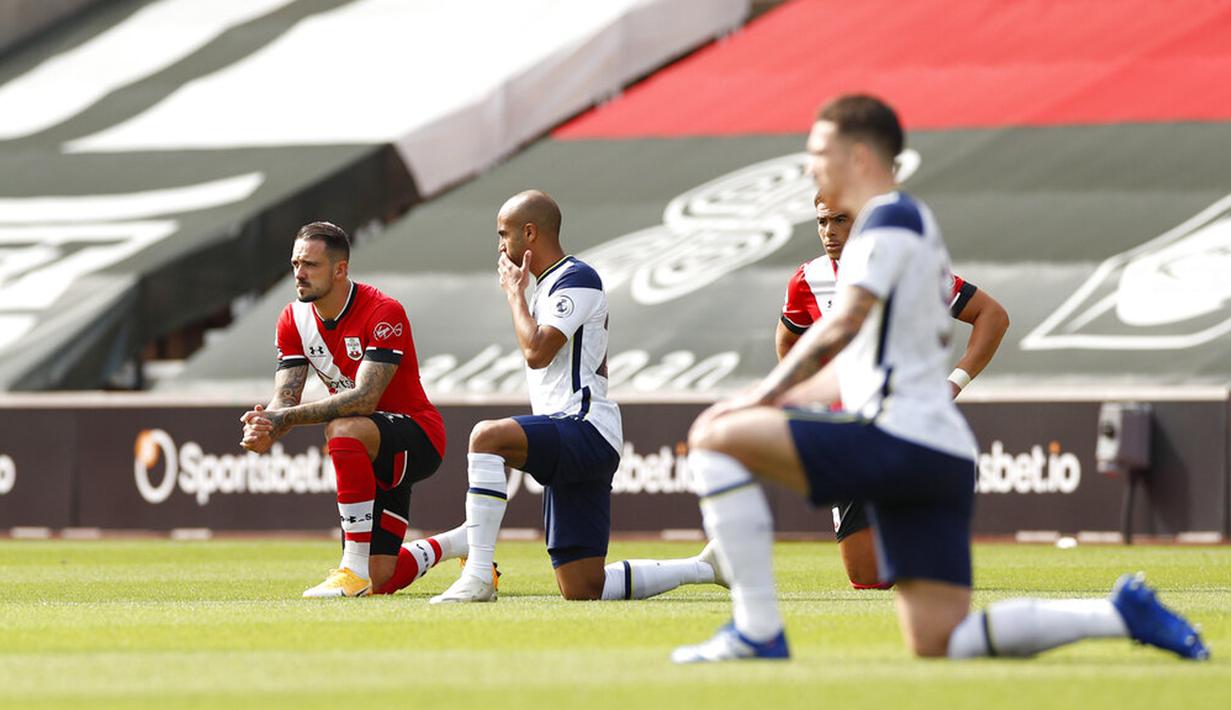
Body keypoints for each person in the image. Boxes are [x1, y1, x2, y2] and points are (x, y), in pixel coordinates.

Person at [673, 94, 1208, 662]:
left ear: (857, 155)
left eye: (816, 151)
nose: (809, 165)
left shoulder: (889, 218)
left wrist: (757, 397)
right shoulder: (886, 232)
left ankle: (757, 632)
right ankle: (1116, 612)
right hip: (933, 448)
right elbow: (853, 366)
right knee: (941, 640)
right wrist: (785, 400)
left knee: (713, 439)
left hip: (896, 436)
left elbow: (845, 325)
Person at [419, 190, 725, 603]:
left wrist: (514, 293)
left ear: (529, 233)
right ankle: (707, 567)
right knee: (582, 588)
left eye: (503, 234)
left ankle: (478, 575)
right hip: (577, 434)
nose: (499, 246)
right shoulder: (549, 287)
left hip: (585, 429)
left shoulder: (576, 277)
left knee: (485, 439)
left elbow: (537, 352)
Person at [779, 191, 1009, 588]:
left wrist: (953, 383)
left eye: (840, 220)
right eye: (822, 222)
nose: (829, 232)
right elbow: (788, 342)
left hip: (908, 424)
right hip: (849, 431)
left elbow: (992, 316)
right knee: (866, 580)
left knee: (926, 579)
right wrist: (808, 396)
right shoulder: (808, 280)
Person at [240, 221, 446, 598]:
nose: (299, 274)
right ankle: (459, 544)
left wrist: (282, 419)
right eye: (295, 264)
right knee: (381, 579)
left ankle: (350, 568)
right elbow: (285, 399)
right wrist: (264, 425)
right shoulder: (293, 319)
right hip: (367, 445)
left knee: (344, 428)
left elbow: (365, 399)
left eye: (310, 265)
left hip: (417, 436)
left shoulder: (384, 312)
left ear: (340, 269)